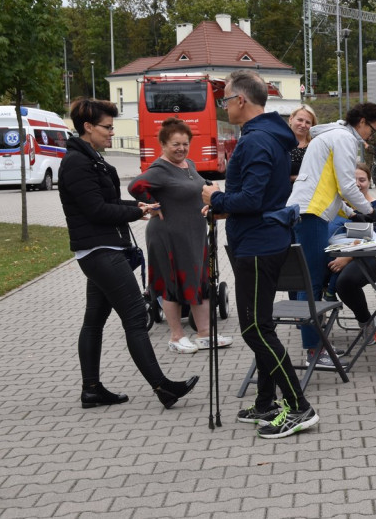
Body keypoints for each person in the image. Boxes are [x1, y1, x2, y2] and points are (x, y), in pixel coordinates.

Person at [60, 98, 199, 411]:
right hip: (99, 250)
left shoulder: (88, 157)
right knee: (136, 315)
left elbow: (104, 202)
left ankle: (92, 390)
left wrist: (137, 207)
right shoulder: (77, 162)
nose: (112, 133)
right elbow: (95, 210)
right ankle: (163, 387)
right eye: (107, 127)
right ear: (88, 127)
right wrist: (135, 214)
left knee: (94, 320)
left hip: (102, 247)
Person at [201, 70, 317, 439]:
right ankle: (266, 401)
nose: (224, 107)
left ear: (241, 101)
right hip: (264, 239)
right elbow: (261, 194)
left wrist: (215, 199)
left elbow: (250, 200)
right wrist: (224, 202)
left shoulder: (255, 141)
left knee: (254, 328)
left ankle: (299, 408)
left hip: (256, 244)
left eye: (225, 100)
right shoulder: (268, 136)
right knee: (262, 322)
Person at [287, 102, 376, 369]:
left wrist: (352, 214)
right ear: (362, 122)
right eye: (372, 130)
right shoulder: (343, 138)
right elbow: (346, 184)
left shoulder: (332, 135)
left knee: (309, 279)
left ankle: (314, 344)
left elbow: (330, 185)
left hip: (309, 210)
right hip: (312, 214)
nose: (370, 137)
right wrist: (368, 210)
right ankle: (313, 351)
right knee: (313, 282)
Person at [128, 118, 233, 354]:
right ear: (163, 144)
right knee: (172, 283)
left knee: (200, 281)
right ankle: (176, 337)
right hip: (167, 235)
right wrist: (152, 205)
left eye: (185, 144)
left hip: (194, 234)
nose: (181, 149)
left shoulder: (190, 165)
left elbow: (199, 188)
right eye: (176, 144)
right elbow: (135, 186)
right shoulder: (159, 169)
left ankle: (205, 334)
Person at [324, 163, 376, 333]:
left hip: (373, 256)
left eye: (362, 180)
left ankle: (365, 322)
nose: (358, 183)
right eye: (353, 180)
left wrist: (348, 257)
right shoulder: (336, 206)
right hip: (336, 254)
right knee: (314, 272)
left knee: (345, 282)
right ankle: (316, 317)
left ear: (369, 182)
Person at [287, 104, 318, 181]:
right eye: (300, 120)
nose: (303, 125)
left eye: (308, 122)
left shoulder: (316, 146)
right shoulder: (280, 144)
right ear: (291, 119)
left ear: (312, 125)